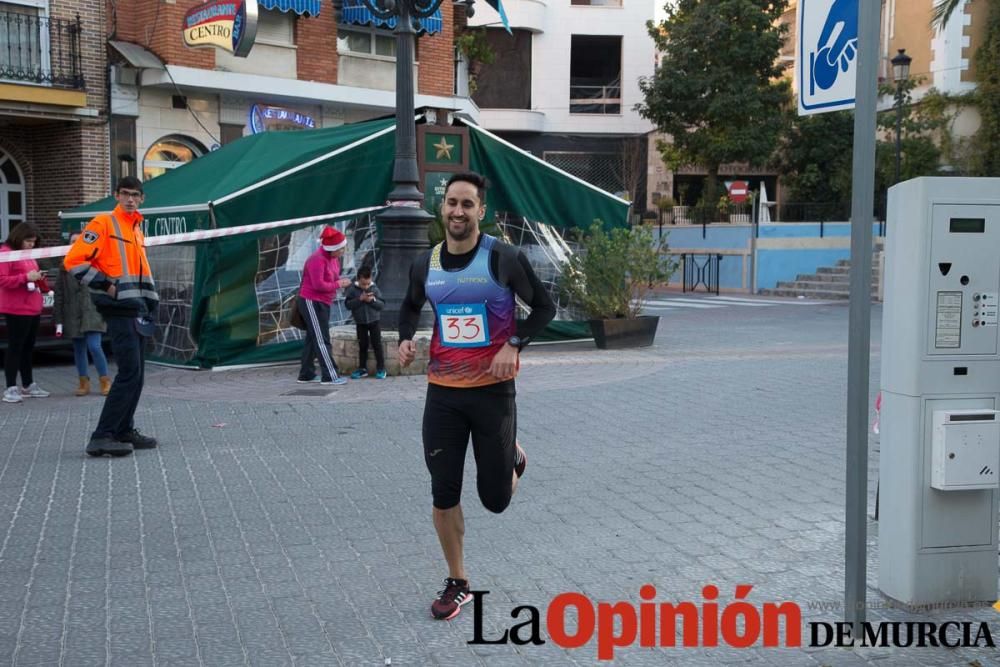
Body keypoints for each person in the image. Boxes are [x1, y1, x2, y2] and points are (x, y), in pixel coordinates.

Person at [397, 172, 556, 620]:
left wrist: (514, 343)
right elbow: (410, 304)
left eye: (468, 204)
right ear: (441, 208)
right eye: (452, 203)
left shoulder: (503, 258)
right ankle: (458, 581)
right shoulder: (424, 264)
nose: (458, 212)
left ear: (481, 211)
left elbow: (544, 308)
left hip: (492, 393)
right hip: (442, 395)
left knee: (495, 501)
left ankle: (513, 459)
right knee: (443, 492)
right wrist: (407, 337)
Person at [64, 176, 159, 457]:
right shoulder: (103, 224)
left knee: (137, 374)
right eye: (126, 194)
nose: (130, 199)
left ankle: (123, 429)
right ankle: (102, 435)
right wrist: (106, 284)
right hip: (119, 309)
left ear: (142, 198)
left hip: (136, 308)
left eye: (136, 195)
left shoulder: (136, 229)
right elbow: (73, 261)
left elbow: (139, 270)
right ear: (116, 195)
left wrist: (150, 302)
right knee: (129, 373)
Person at [54, 233, 111, 397]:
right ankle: (83, 382)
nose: (75, 244)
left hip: (93, 311)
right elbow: (59, 293)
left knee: (94, 346)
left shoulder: (96, 263)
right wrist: (58, 318)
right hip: (72, 312)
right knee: (79, 348)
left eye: (78, 241)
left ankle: (105, 380)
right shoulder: (64, 267)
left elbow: (105, 286)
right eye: (72, 241)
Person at [0, 222, 50, 403]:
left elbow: (32, 274)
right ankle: (11, 387)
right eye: (28, 241)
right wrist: (25, 277)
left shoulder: (28, 254)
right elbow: (2, 280)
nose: (31, 245)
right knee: (15, 347)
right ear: (19, 237)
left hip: (32, 306)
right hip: (16, 308)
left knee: (28, 348)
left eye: (33, 242)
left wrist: (38, 277)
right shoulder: (6, 253)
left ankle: (28, 384)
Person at [297, 225, 351, 385]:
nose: (343, 251)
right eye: (341, 249)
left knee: (312, 339)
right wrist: (339, 284)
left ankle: (306, 374)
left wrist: (339, 283)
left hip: (323, 302)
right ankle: (330, 375)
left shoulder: (333, 258)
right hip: (311, 301)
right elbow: (318, 285)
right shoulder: (317, 259)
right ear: (332, 248)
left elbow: (332, 278)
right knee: (322, 339)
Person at [344, 265, 386, 379]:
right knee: (363, 345)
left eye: (368, 283)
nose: (366, 286)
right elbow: (348, 305)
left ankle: (381, 368)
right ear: (358, 280)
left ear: (371, 279)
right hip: (360, 322)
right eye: (363, 284)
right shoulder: (352, 290)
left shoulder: (374, 289)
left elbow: (381, 305)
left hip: (374, 321)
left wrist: (372, 301)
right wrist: (360, 299)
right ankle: (362, 369)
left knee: (377, 345)